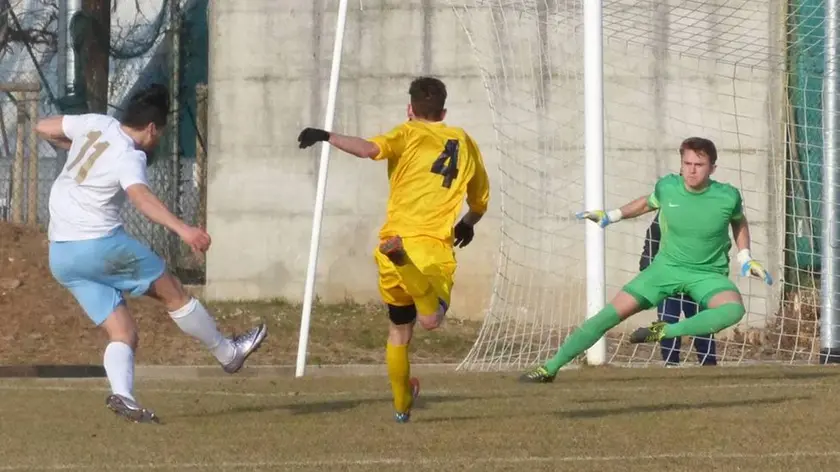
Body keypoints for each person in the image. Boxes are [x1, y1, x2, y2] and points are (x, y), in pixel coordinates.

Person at [35, 83, 268, 423]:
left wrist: (75, 148)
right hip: (99, 245)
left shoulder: (95, 124)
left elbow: (43, 126)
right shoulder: (129, 155)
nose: (157, 140)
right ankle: (227, 352)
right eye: (160, 133)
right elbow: (141, 199)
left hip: (61, 255)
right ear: (151, 128)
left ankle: (124, 396)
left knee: (123, 332)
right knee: (173, 291)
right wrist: (185, 230)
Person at [297, 76, 491, 423]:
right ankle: (406, 265)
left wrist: (326, 135)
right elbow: (479, 201)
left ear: (409, 110)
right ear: (443, 111)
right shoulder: (464, 141)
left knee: (400, 329)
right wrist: (467, 224)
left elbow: (369, 149)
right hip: (432, 250)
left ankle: (402, 406)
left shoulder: (405, 132)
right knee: (430, 319)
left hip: (392, 246)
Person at [520, 136, 771, 383]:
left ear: (712, 168)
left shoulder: (727, 196)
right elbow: (647, 203)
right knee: (607, 316)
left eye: (699, 165)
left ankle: (665, 331)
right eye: (687, 164)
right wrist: (611, 215)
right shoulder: (667, 187)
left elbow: (739, 221)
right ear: (681, 164)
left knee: (733, 309)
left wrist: (746, 257)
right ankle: (549, 368)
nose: (691, 171)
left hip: (707, 274)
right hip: (664, 270)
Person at [640, 211, 716, 366]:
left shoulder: (705, 216)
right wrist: (647, 267)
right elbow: (652, 237)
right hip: (669, 279)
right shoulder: (667, 212)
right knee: (667, 321)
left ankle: (708, 362)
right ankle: (670, 362)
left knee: (701, 322)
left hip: (696, 279)